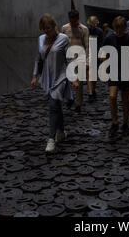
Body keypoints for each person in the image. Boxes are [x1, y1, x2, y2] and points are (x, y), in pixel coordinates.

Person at [31, 14, 72, 153]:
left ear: (55, 26)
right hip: (47, 77)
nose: (47, 32)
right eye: (44, 29)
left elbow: (69, 59)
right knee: (56, 105)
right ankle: (61, 131)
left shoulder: (63, 39)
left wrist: (74, 78)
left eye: (49, 28)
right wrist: (35, 76)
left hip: (61, 76)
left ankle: (51, 139)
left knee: (53, 105)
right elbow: (38, 58)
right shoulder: (41, 39)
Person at [101, 16, 129, 141]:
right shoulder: (110, 38)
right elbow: (103, 55)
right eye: (116, 29)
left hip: (126, 71)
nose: (118, 31)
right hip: (113, 70)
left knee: (125, 99)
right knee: (112, 96)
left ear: (124, 28)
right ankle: (115, 122)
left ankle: (125, 123)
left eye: (120, 29)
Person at [61, 10, 89, 113]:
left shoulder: (84, 29)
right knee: (67, 81)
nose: (73, 22)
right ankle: (70, 98)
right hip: (67, 57)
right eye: (71, 20)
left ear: (77, 18)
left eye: (75, 20)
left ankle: (78, 104)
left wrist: (87, 61)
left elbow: (87, 46)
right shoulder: (64, 28)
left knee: (79, 82)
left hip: (80, 57)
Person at [87, 16, 104, 103]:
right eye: (91, 25)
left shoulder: (99, 31)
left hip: (96, 54)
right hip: (88, 54)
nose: (92, 26)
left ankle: (93, 90)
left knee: (94, 74)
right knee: (90, 73)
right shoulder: (86, 31)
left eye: (93, 24)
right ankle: (90, 93)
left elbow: (101, 44)